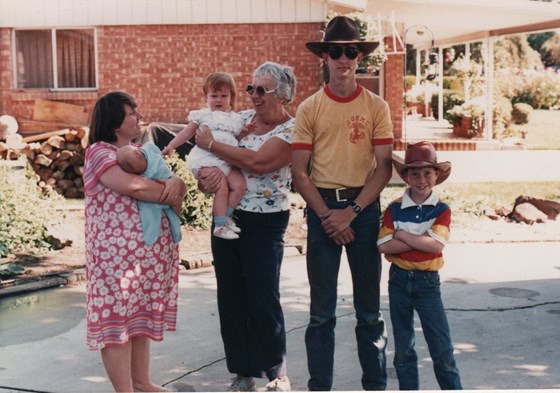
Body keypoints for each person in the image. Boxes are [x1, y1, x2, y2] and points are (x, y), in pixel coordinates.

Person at [291, 15, 394, 391]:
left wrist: (349, 213)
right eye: (336, 52)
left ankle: (375, 384)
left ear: (360, 56)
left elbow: (383, 169)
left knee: (369, 312)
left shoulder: (376, 106)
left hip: (362, 212)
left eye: (351, 51)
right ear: (325, 57)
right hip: (322, 211)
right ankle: (320, 386)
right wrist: (327, 216)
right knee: (321, 315)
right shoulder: (309, 108)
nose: (344, 58)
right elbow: (299, 172)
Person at [195, 61, 296, 392]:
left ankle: (277, 374)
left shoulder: (289, 131)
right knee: (231, 296)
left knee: (263, 295)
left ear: (281, 95)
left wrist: (211, 145)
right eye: (250, 88)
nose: (252, 95)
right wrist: (205, 177)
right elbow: (213, 166)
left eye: (261, 90)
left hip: (266, 221)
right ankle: (242, 373)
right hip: (228, 215)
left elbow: (259, 162)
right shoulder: (240, 121)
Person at [84, 91, 187, 393]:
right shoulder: (100, 153)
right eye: (132, 113)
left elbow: (169, 184)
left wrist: (176, 183)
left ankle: (141, 383)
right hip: (116, 261)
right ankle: (125, 390)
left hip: (146, 259)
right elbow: (133, 187)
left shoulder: (140, 151)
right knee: (116, 323)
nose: (139, 117)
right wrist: (171, 187)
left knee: (137, 321)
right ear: (115, 124)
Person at [377, 141, 463, 390]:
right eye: (414, 173)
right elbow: (383, 245)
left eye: (427, 172)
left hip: (427, 283)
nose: (421, 179)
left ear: (437, 174)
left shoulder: (441, 210)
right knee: (404, 347)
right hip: (399, 280)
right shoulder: (394, 208)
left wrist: (402, 235)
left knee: (441, 346)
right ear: (405, 176)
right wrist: (420, 239)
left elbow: (436, 246)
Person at [162, 72, 248, 240]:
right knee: (221, 188)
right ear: (206, 97)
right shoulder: (202, 115)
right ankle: (219, 224)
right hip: (207, 159)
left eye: (224, 96)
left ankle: (227, 216)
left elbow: (232, 140)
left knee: (240, 186)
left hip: (226, 161)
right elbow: (186, 133)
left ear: (232, 97)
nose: (218, 100)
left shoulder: (236, 119)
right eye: (213, 95)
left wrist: (244, 133)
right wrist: (171, 146)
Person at [116, 142, 182, 246]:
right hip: (154, 196)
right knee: (150, 216)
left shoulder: (148, 149)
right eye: (138, 170)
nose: (144, 168)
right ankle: (151, 238)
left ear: (139, 153)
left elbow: (156, 151)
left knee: (172, 215)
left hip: (167, 184)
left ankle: (176, 234)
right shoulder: (138, 173)